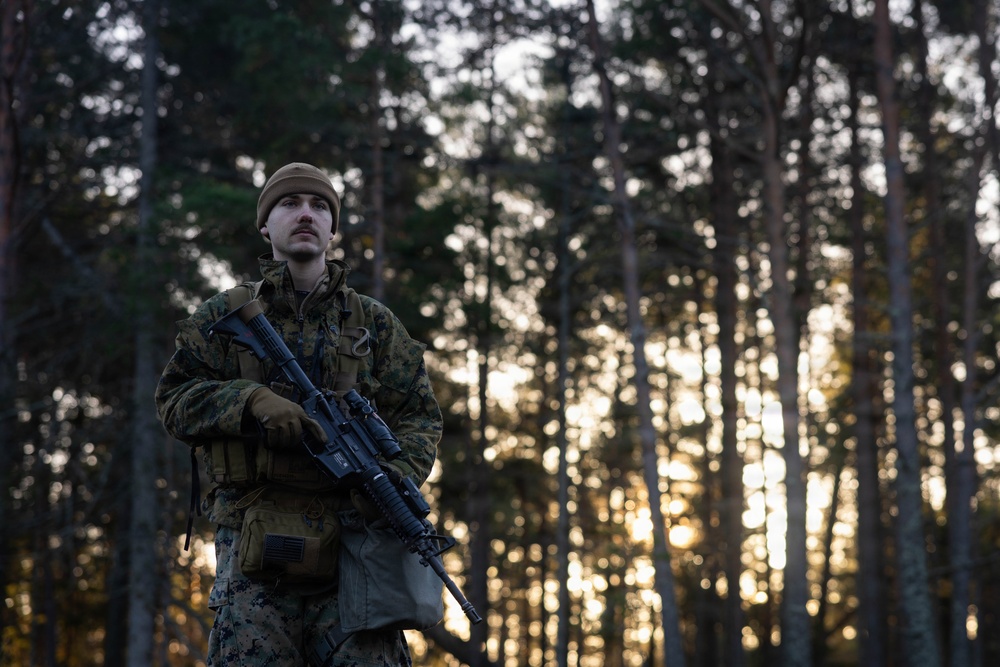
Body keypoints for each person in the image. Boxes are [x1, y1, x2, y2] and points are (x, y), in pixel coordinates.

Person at [155, 162, 443, 665]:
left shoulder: (375, 324)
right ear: (266, 226)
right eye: (289, 204)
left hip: (356, 549)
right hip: (253, 546)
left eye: (319, 207)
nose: (305, 214)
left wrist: (392, 477)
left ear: (334, 228)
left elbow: (419, 417)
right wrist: (248, 401)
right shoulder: (222, 315)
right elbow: (174, 400)